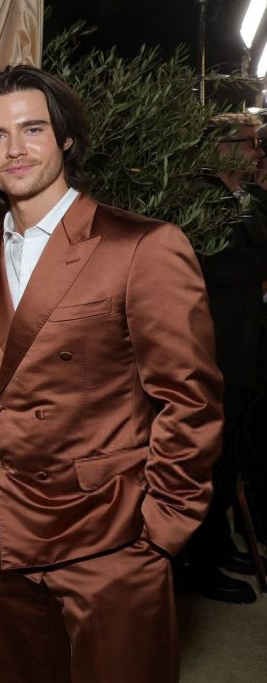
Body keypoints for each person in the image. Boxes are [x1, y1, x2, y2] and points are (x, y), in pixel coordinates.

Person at [0, 65, 223, 682]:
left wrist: (161, 529)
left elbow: (192, 400)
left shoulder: (141, 246)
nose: (15, 149)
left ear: (66, 138)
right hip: (8, 538)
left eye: (32, 129)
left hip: (112, 535)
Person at [176, 112, 267, 603]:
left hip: (241, 346)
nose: (256, 152)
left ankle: (221, 545)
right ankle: (201, 564)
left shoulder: (242, 196)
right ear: (222, 146)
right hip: (212, 350)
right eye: (249, 142)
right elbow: (211, 266)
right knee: (209, 459)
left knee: (229, 454)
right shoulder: (197, 195)